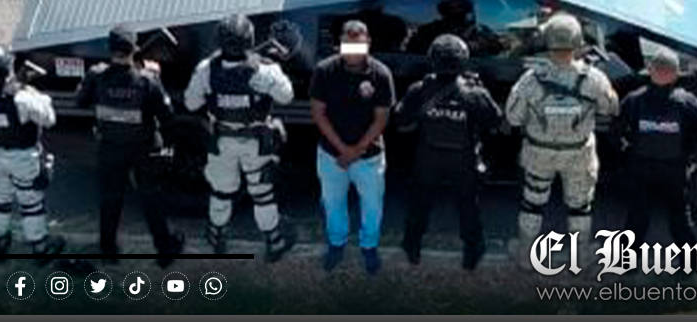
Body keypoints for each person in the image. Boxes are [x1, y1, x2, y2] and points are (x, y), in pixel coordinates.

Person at [505, 14, 620, 270]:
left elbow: (513, 117)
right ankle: (579, 257)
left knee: (532, 203)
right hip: (579, 154)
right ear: (578, 41)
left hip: (539, 153)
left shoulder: (531, 79)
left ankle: (526, 256)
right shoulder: (594, 78)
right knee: (580, 207)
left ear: (547, 41)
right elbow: (611, 108)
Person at [184, 14, 295, 263]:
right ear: (250, 39)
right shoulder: (265, 70)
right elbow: (287, 96)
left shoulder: (206, 69)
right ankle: (274, 241)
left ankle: (217, 236)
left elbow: (191, 104)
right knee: (262, 194)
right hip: (256, 143)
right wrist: (272, 68)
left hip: (222, 141)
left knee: (221, 192)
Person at [76, 26, 184, 267]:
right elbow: (167, 116)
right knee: (151, 197)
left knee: (110, 199)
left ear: (110, 49)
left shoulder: (96, 75)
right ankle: (164, 250)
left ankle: (108, 250)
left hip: (109, 147)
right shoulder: (147, 80)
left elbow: (80, 102)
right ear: (134, 49)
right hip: (143, 149)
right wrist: (156, 77)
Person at [395, 34, 503, 271]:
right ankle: (473, 250)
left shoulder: (420, 89)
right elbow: (495, 121)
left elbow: (401, 119)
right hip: (462, 156)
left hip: (428, 154)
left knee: (420, 202)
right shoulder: (474, 92)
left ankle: (412, 245)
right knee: (467, 205)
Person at [310, 20, 395, 275]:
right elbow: (318, 113)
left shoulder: (381, 74)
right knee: (333, 203)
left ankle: (369, 246)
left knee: (372, 206)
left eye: (358, 45)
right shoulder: (324, 70)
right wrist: (343, 150)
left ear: (368, 43)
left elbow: (382, 118)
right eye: (348, 45)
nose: (353, 52)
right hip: (331, 155)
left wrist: (356, 150)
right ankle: (337, 244)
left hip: (368, 156)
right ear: (340, 45)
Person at [619, 49, 697, 261]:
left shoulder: (633, 100)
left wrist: (630, 152)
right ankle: (692, 262)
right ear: (676, 74)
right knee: (679, 218)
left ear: (650, 71)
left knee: (637, 217)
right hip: (675, 169)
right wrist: (688, 153)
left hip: (641, 167)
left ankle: (625, 261)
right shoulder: (687, 102)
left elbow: (617, 132)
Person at [0, 46, 65, 262]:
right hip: (22, 158)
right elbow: (49, 119)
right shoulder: (22, 99)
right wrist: (33, 93)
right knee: (31, 203)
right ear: (7, 72)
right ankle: (40, 246)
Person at [406, 0, 504, 57]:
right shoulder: (429, 31)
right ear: (444, 12)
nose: (455, 12)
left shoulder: (479, 31)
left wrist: (473, 46)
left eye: (460, 8)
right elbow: (412, 51)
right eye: (452, 9)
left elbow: (497, 47)